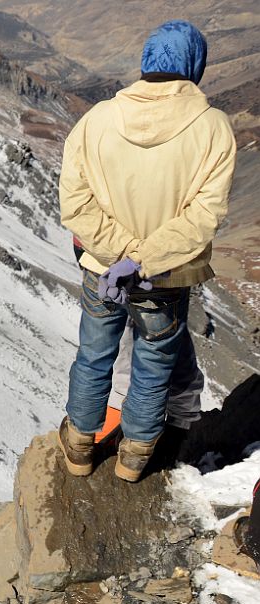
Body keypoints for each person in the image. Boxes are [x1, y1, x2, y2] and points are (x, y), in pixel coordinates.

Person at [57, 19, 236, 482]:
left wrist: (120, 256)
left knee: (94, 354)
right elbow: (202, 217)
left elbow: (75, 203)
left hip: (101, 269)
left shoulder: (95, 120)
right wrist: (143, 259)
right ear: (194, 65)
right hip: (166, 278)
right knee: (154, 362)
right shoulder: (214, 129)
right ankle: (134, 459)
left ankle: (79, 448)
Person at [71, 236, 205, 440]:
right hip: (158, 256)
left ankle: (86, 439)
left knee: (104, 353)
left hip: (105, 253)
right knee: (160, 344)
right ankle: (144, 441)